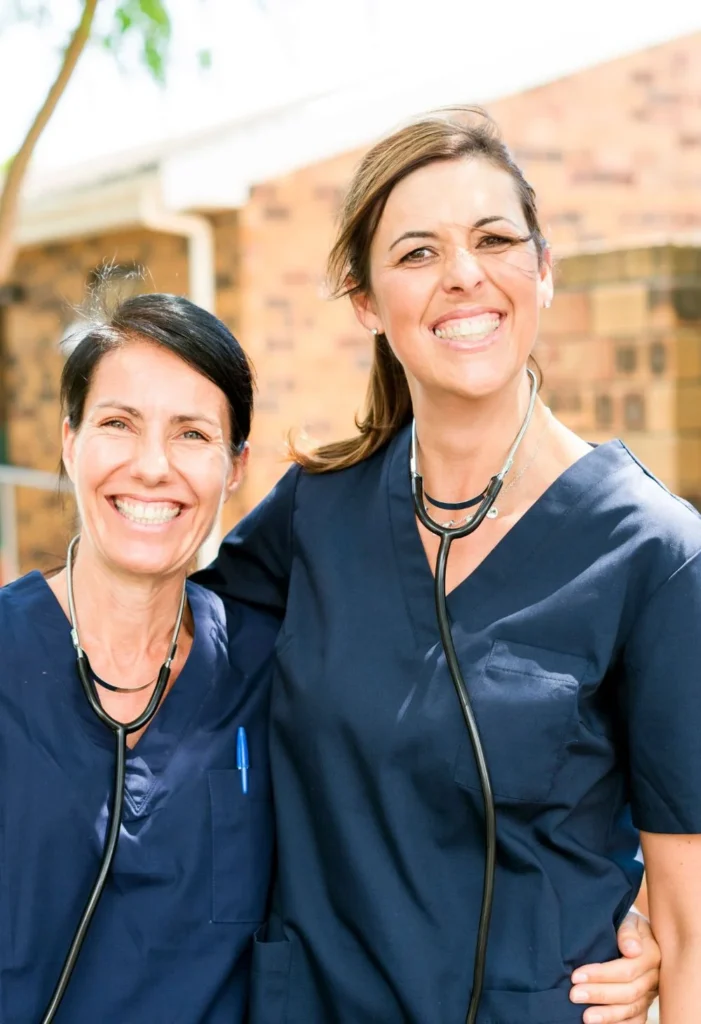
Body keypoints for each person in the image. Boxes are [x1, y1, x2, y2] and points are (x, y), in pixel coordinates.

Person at [196, 108, 700, 1024]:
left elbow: (687, 915)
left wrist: (650, 942)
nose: (463, 275)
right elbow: (159, 658)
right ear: (365, 300)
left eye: (495, 239)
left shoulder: (654, 554)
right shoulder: (316, 511)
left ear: (542, 271)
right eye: (418, 253)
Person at [0, 294, 277, 1022]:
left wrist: (621, 925)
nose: (152, 467)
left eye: (191, 434)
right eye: (119, 424)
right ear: (70, 441)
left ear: (236, 464)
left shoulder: (272, 671)